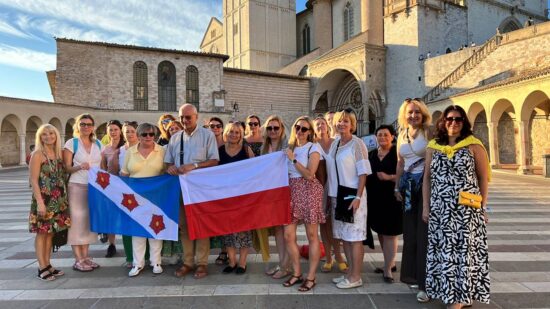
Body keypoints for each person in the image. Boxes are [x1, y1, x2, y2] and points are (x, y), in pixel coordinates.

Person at [423, 105, 490, 308]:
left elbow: (483, 178)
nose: (453, 122)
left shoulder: (473, 145)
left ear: (464, 122)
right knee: (445, 251)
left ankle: (459, 298)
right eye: (449, 119)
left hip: (466, 209)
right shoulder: (433, 146)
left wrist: (483, 207)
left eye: (458, 119)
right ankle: (451, 293)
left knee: (463, 252)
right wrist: (426, 207)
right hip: (441, 209)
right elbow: (427, 178)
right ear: (443, 121)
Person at [165, 103, 219, 279]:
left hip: (201, 189)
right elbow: (168, 162)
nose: (184, 120)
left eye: (188, 117)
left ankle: (202, 263)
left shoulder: (207, 135)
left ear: (196, 117)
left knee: (202, 225)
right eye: (181, 117)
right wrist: (171, 167)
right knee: (184, 226)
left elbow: (214, 160)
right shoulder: (174, 138)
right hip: (180, 188)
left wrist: (194, 165)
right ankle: (188, 262)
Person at [326, 109, 371, 289]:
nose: (342, 124)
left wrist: (358, 197)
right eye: (339, 121)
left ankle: (355, 277)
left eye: (346, 121)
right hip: (338, 195)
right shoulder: (335, 143)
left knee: (355, 237)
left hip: (352, 194)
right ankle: (350, 272)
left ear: (352, 124)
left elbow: (363, 173)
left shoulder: (357, 144)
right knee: (345, 236)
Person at [394, 98, 432, 302]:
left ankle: (426, 284)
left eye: (417, 112)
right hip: (408, 188)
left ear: (423, 113)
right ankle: (415, 276)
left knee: (424, 234)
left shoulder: (429, 132)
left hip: (426, 188)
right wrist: (396, 186)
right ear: (404, 114)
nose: (414, 115)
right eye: (410, 112)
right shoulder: (401, 134)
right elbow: (400, 163)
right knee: (410, 234)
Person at [283, 116, 324, 292]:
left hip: (308, 190)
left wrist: (293, 159)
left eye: (304, 129)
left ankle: (311, 277)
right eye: (297, 127)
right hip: (291, 190)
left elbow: (309, 174)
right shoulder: (289, 148)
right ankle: (297, 272)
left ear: (310, 132)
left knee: (312, 235)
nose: (300, 131)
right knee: (288, 235)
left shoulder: (313, 148)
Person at [120, 123, 166, 277]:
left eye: (151, 134)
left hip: (157, 196)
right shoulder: (130, 152)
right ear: (138, 136)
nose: (148, 137)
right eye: (145, 134)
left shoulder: (162, 151)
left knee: (156, 228)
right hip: (135, 198)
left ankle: (156, 262)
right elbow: (124, 174)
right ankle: (137, 263)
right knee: (137, 231)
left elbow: (167, 172)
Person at [29, 124, 70, 281]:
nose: (49, 136)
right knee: (42, 234)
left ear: (56, 135)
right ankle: (41, 267)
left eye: (51, 133)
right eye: (45, 134)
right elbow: (33, 180)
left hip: (58, 200)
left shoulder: (58, 153)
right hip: (44, 200)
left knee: (50, 233)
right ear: (40, 137)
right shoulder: (38, 154)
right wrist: (40, 202)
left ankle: (48, 264)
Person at [63, 113, 102, 272]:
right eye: (83, 124)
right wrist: (80, 167)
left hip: (93, 187)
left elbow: (102, 166)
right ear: (77, 126)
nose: (86, 127)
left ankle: (86, 257)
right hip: (77, 185)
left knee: (87, 222)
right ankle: (78, 259)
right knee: (76, 222)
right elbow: (66, 167)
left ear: (93, 127)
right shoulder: (72, 143)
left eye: (89, 124)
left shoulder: (98, 144)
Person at [218, 122, 255, 274]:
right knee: (227, 230)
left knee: (243, 230)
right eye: (231, 132)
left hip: (243, 197)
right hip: (225, 197)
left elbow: (255, 168)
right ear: (226, 134)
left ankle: (242, 263)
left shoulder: (246, 150)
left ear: (241, 135)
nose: (234, 134)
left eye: (237, 132)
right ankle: (232, 261)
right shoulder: (219, 150)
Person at [367, 125, 402, 283]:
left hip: (392, 198)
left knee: (389, 233)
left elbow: (405, 174)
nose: (382, 138)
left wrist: (389, 177)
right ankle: (390, 262)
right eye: (379, 135)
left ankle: (388, 269)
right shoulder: (372, 154)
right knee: (381, 232)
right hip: (375, 198)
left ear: (393, 137)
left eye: (385, 135)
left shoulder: (397, 154)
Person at [313, 116, 347, 274]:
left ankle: (339, 257)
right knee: (324, 226)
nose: (320, 126)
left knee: (335, 225)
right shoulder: (313, 145)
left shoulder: (336, 142)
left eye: (322, 124)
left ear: (327, 126)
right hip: (319, 189)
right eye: (317, 124)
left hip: (336, 187)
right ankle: (328, 258)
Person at [260, 115, 291, 279]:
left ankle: (286, 266)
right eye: (269, 128)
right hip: (271, 192)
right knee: (278, 229)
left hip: (286, 190)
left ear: (281, 129)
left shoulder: (288, 145)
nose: (273, 131)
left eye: (276, 128)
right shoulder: (263, 148)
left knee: (288, 231)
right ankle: (282, 263)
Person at [100, 120, 125, 258]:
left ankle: (130, 243)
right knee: (111, 216)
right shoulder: (105, 149)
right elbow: (103, 169)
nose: (113, 132)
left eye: (115, 129)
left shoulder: (126, 147)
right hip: (111, 186)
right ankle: (112, 244)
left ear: (120, 131)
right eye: (110, 130)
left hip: (126, 185)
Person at [207, 117, 228, 265]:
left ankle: (225, 251)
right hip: (208, 188)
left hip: (226, 188)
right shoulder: (205, 144)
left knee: (224, 221)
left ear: (222, 128)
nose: (215, 128)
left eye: (218, 126)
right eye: (212, 126)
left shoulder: (227, 145)